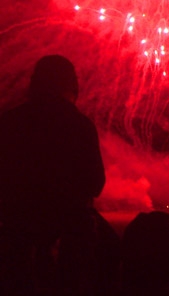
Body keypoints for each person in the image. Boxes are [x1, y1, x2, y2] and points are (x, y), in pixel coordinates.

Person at [0, 54, 108, 294]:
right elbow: (95, 183)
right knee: (109, 250)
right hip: (68, 228)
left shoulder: (9, 121)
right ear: (71, 84)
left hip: (18, 226)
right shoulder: (79, 125)